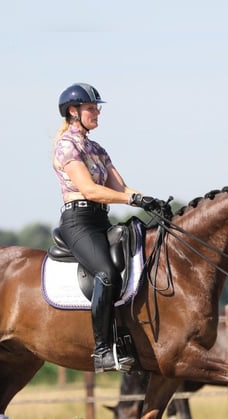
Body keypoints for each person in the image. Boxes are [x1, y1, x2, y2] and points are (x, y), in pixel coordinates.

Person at [53, 82, 170, 373]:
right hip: (78, 222)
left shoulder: (97, 149)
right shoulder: (67, 146)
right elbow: (90, 190)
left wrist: (148, 200)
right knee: (106, 274)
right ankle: (103, 350)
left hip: (101, 220)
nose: (97, 114)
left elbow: (120, 187)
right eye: (92, 109)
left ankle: (128, 337)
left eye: (96, 109)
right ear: (73, 111)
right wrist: (133, 199)